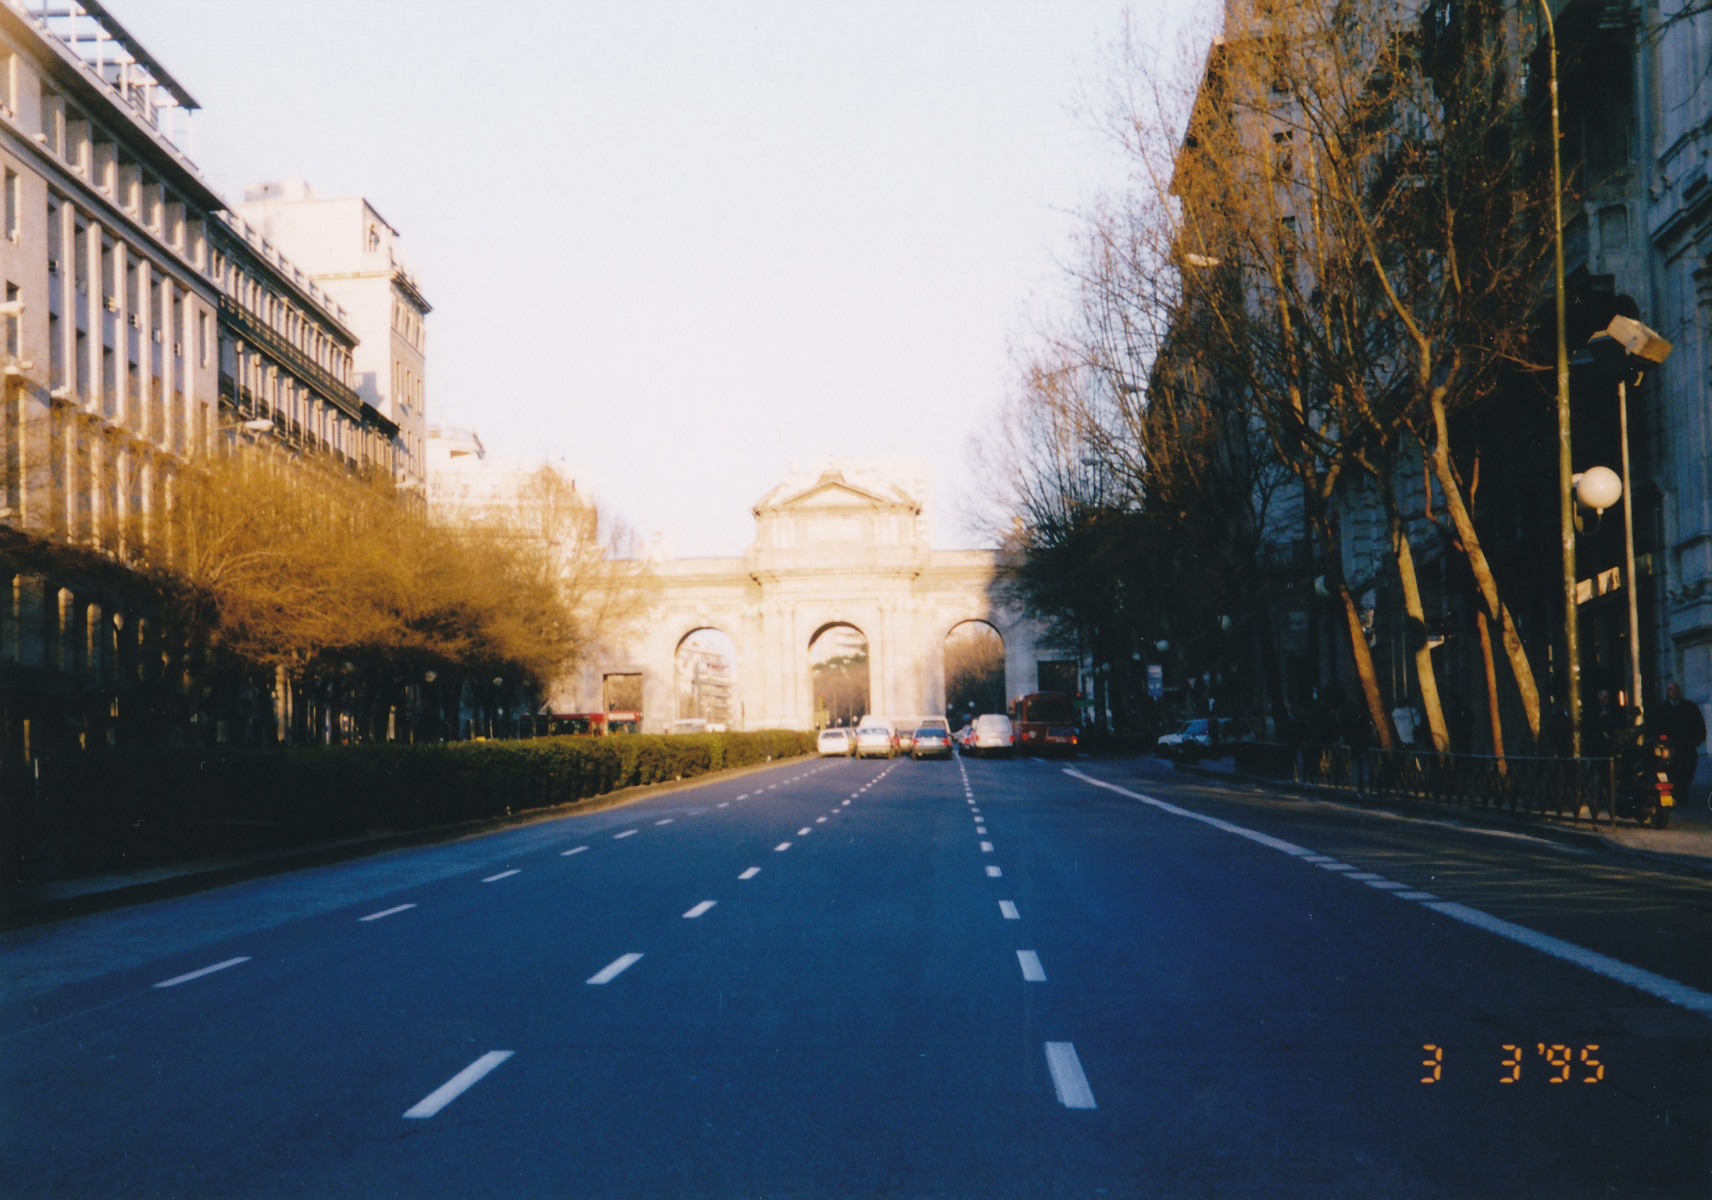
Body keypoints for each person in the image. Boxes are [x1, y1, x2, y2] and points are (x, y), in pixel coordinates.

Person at [1652, 682, 1706, 798]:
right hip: (1669, 745)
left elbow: (1698, 723)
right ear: (1668, 692)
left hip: (1686, 744)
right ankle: (1675, 792)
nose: (1674, 692)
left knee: (1688, 768)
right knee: (1672, 768)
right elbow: (1656, 726)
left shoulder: (1689, 707)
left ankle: (1682, 790)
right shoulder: (1662, 708)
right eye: (1671, 689)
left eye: (1676, 689)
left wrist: (1699, 738)